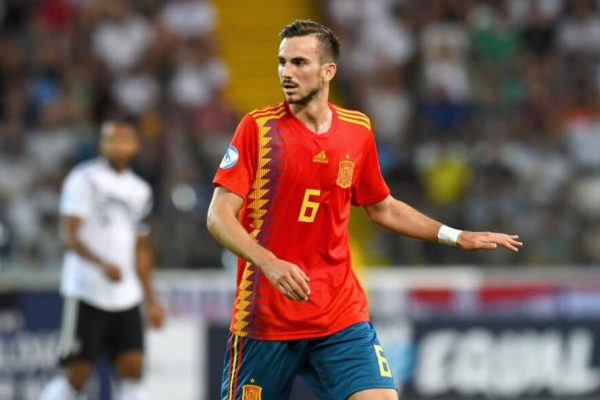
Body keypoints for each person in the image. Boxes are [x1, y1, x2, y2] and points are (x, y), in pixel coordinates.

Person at [207, 19, 523, 400]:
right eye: (282, 62)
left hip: (339, 315)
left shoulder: (357, 130)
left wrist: (455, 236)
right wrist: (269, 263)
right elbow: (218, 216)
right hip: (266, 321)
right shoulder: (258, 129)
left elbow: (381, 207)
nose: (286, 73)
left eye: (299, 63)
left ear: (328, 71)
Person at [39, 121, 164, 400]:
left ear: (135, 146)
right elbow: (69, 233)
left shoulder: (140, 190)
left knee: (133, 369)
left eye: (123, 140)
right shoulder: (83, 179)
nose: (117, 145)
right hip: (86, 291)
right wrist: (101, 264)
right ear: (102, 144)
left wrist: (151, 299)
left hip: (126, 295)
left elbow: (141, 249)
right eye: (111, 139)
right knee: (77, 375)